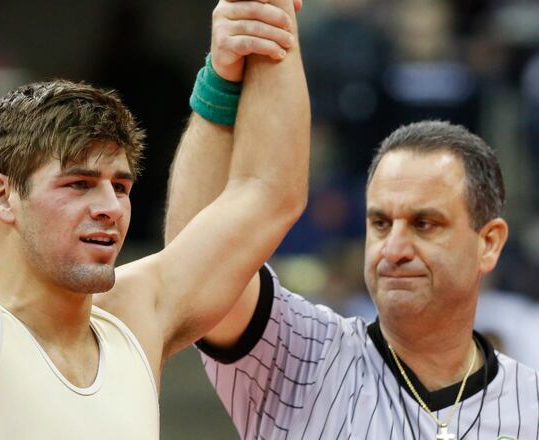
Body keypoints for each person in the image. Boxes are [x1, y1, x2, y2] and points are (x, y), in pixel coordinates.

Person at [0, 0, 305, 438]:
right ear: (2, 196)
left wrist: (247, 45)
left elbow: (268, 194)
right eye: (78, 184)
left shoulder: (138, 318)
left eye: (120, 186)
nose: (110, 208)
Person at [166, 19, 539, 440]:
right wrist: (221, 79)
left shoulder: (530, 404)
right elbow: (192, 270)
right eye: (380, 223)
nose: (394, 248)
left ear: (489, 244)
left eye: (424, 224)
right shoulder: (301, 356)